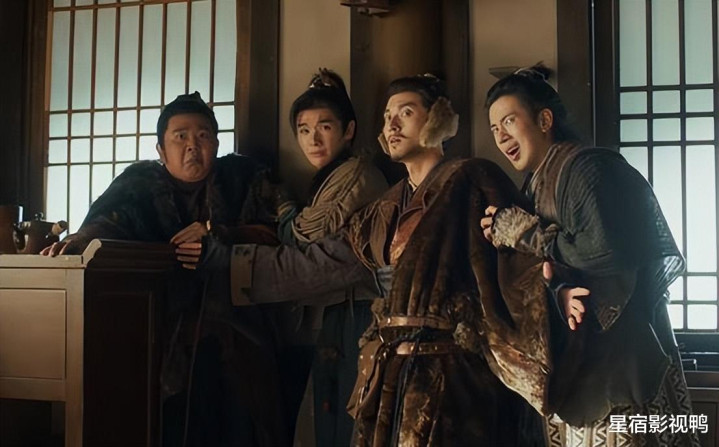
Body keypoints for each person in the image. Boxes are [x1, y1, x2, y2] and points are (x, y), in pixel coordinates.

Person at [42, 92, 289, 447]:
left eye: (203, 135)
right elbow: (106, 225)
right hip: (161, 331)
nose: (192, 146)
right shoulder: (138, 185)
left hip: (237, 330)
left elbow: (277, 235)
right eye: (180, 136)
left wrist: (221, 233)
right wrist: (79, 242)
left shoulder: (243, 179)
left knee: (241, 423)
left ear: (217, 144)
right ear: (161, 150)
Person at [481, 65, 699, 446]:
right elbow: (541, 271)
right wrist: (555, 289)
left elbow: (606, 253)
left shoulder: (588, 169)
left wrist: (524, 233)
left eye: (509, 121)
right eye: (494, 128)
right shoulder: (533, 184)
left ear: (544, 120)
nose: (501, 136)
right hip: (575, 364)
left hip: (617, 356)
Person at [340, 74, 554, 446]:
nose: (392, 125)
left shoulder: (473, 179)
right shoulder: (382, 209)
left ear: (437, 119)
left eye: (406, 113)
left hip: (454, 375)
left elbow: (519, 264)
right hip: (392, 372)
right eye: (387, 116)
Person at [275, 68, 388, 445]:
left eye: (324, 127)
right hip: (335, 308)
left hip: (359, 308)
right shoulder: (326, 178)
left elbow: (310, 233)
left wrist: (284, 213)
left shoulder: (357, 172)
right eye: (304, 130)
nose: (313, 139)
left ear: (348, 130)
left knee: (348, 420)